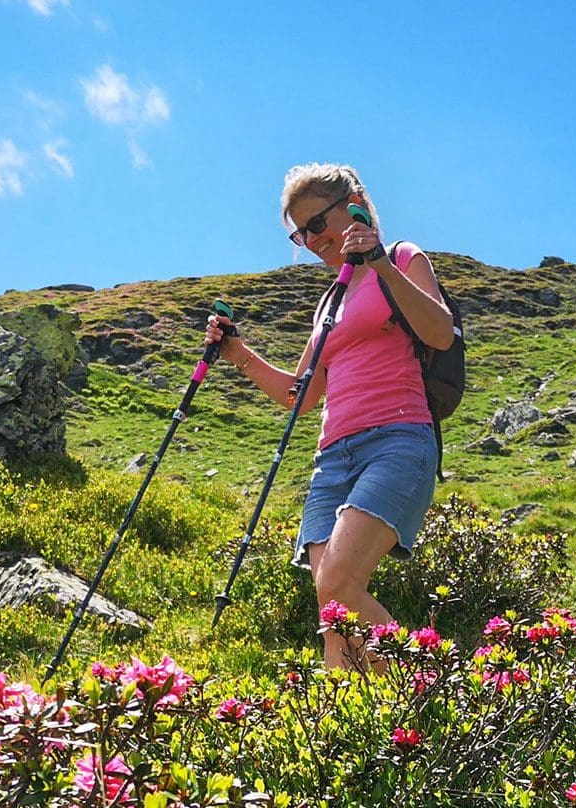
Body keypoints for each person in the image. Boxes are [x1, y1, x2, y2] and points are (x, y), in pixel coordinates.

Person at [205, 163, 452, 669]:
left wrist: (380, 263)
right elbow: (302, 395)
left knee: (338, 583)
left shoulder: (403, 258)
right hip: (331, 460)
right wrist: (240, 355)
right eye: (300, 234)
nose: (312, 240)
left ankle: (426, 688)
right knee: (332, 604)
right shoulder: (329, 300)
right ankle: (357, 716)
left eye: (317, 224)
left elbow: (440, 332)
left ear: (354, 202)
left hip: (397, 440)